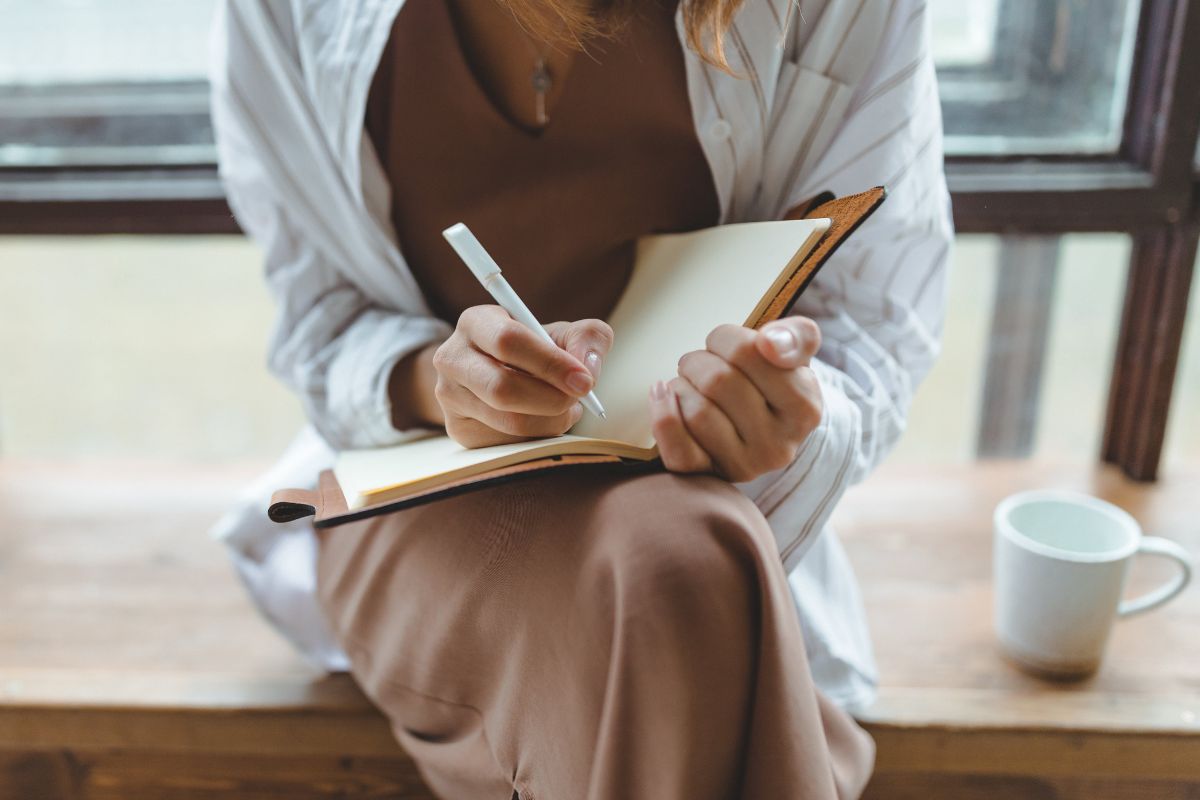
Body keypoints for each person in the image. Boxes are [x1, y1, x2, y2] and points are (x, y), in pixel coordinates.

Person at [209, 0, 952, 796]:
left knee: (674, 561)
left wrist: (785, 411)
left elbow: (874, 320)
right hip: (413, 498)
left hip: (713, 499)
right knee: (681, 571)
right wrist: (440, 380)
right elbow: (321, 318)